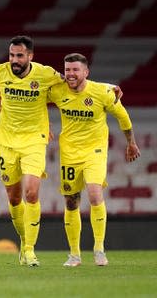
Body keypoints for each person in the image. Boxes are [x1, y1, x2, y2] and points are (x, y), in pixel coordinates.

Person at [48, 53, 140, 267]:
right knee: (71, 201)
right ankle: (74, 254)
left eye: (75, 70)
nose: (70, 74)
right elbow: (34, 99)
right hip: (69, 153)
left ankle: (99, 249)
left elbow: (122, 116)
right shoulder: (58, 90)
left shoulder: (101, 92)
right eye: (67, 69)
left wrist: (131, 143)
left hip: (94, 151)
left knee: (94, 193)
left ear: (86, 72)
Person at [0, 35, 65, 267]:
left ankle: (30, 250)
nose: (14, 59)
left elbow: (74, 83)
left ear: (30, 56)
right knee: (13, 198)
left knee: (31, 193)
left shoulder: (46, 74)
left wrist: (108, 88)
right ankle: (24, 241)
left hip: (34, 140)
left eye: (19, 56)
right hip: (6, 141)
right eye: (12, 55)